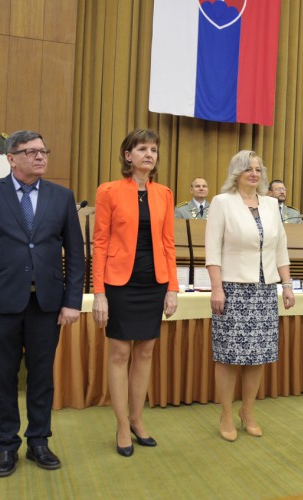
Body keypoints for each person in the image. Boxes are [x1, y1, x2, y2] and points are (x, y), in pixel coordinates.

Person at [0, 130, 84, 477]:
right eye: (30, 152)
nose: (40, 157)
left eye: (43, 151)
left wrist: (71, 301)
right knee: (3, 376)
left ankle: (39, 442)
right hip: (0, 305)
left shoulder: (61, 197)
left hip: (47, 305)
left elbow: (76, 255)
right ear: (10, 158)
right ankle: (6, 445)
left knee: (42, 377)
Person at [92, 129, 179, 457]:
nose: (149, 154)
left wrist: (172, 287)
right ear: (128, 156)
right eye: (142, 148)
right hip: (119, 283)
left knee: (144, 352)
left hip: (153, 283)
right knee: (119, 354)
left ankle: (137, 419)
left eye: (154, 149)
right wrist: (98, 292)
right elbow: (100, 242)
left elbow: (168, 243)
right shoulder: (109, 191)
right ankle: (121, 426)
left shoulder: (164, 194)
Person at [205, 150, 294, 442]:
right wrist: (217, 287)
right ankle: (227, 414)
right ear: (236, 173)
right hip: (232, 289)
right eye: (247, 169)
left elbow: (280, 247)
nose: (254, 173)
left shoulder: (271, 204)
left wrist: (288, 284)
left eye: (258, 169)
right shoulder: (222, 203)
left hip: (264, 290)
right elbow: (213, 250)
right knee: (229, 356)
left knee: (258, 356)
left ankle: (249, 411)